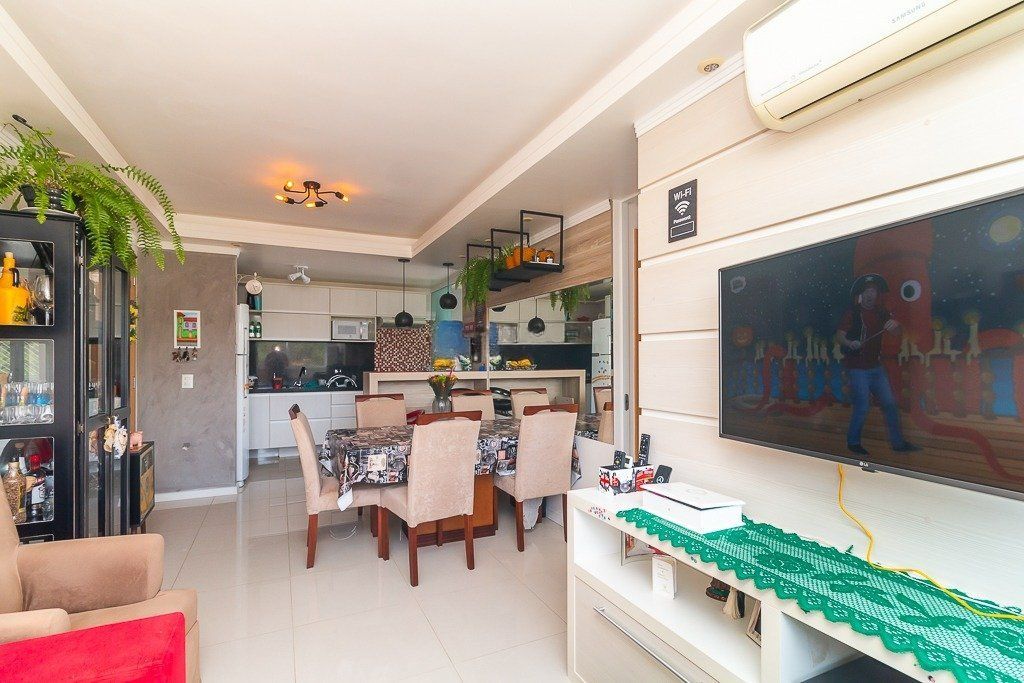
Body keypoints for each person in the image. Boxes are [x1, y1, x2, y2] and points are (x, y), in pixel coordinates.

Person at [837, 274, 919, 456]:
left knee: (890, 404)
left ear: (877, 294)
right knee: (862, 406)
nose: (870, 294)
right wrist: (850, 343)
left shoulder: (881, 312)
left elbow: (897, 332)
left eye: (873, 291)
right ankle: (853, 443)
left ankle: (898, 444)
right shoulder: (852, 313)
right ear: (861, 294)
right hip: (857, 368)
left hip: (875, 367)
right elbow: (840, 336)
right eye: (867, 291)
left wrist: (895, 325)